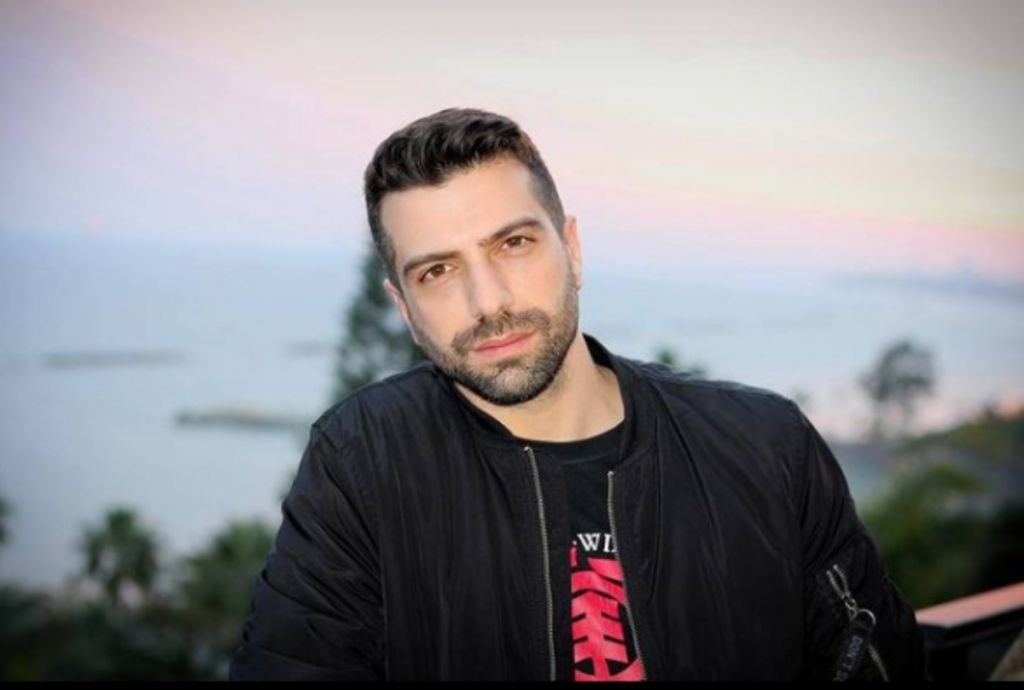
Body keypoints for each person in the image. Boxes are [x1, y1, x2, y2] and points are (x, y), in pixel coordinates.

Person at [229, 107, 927, 681]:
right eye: (438, 271)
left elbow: (879, 663)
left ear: (574, 248)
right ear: (404, 308)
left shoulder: (765, 447)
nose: (489, 302)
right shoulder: (362, 463)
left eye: (513, 244)